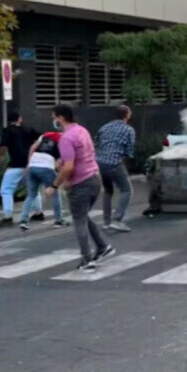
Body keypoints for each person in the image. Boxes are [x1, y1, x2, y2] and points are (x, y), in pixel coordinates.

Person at [44, 105, 115, 271]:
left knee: (79, 221)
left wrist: (54, 185)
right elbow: (82, 155)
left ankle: (87, 259)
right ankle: (103, 246)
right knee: (82, 216)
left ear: (61, 118)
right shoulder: (82, 131)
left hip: (80, 183)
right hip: (94, 178)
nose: (54, 121)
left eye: (54, 118)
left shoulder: (66, 138)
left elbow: (69, 167)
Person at [95, 105, 135, 233]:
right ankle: (117, 219)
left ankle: (106, 222)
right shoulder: (128, 130)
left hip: (100, 163)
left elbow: (97, 143)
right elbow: (129, 151)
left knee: (108, 191)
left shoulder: (104, 127)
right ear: (127, 115)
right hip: (115, 163)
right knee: (127, 190)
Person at [0, 110, 41, 227]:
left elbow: (3, 147)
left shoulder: (7, 130)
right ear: (19, 119)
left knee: (6, 189)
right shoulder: (28, 129)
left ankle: (8, 216)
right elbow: (41, 137)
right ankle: (38, 212)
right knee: (32, 188)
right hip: (29, 164)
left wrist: (0, 156)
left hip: (15, 165)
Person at [19, 131, 67, 230]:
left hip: (33, 165)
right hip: (46, 166)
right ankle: (58, 220)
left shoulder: (45, 135)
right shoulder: (64, 140)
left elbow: (32, 148)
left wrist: (29, 164)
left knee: (31, 195)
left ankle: (23, 220)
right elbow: (60, 162)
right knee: (54, 193)